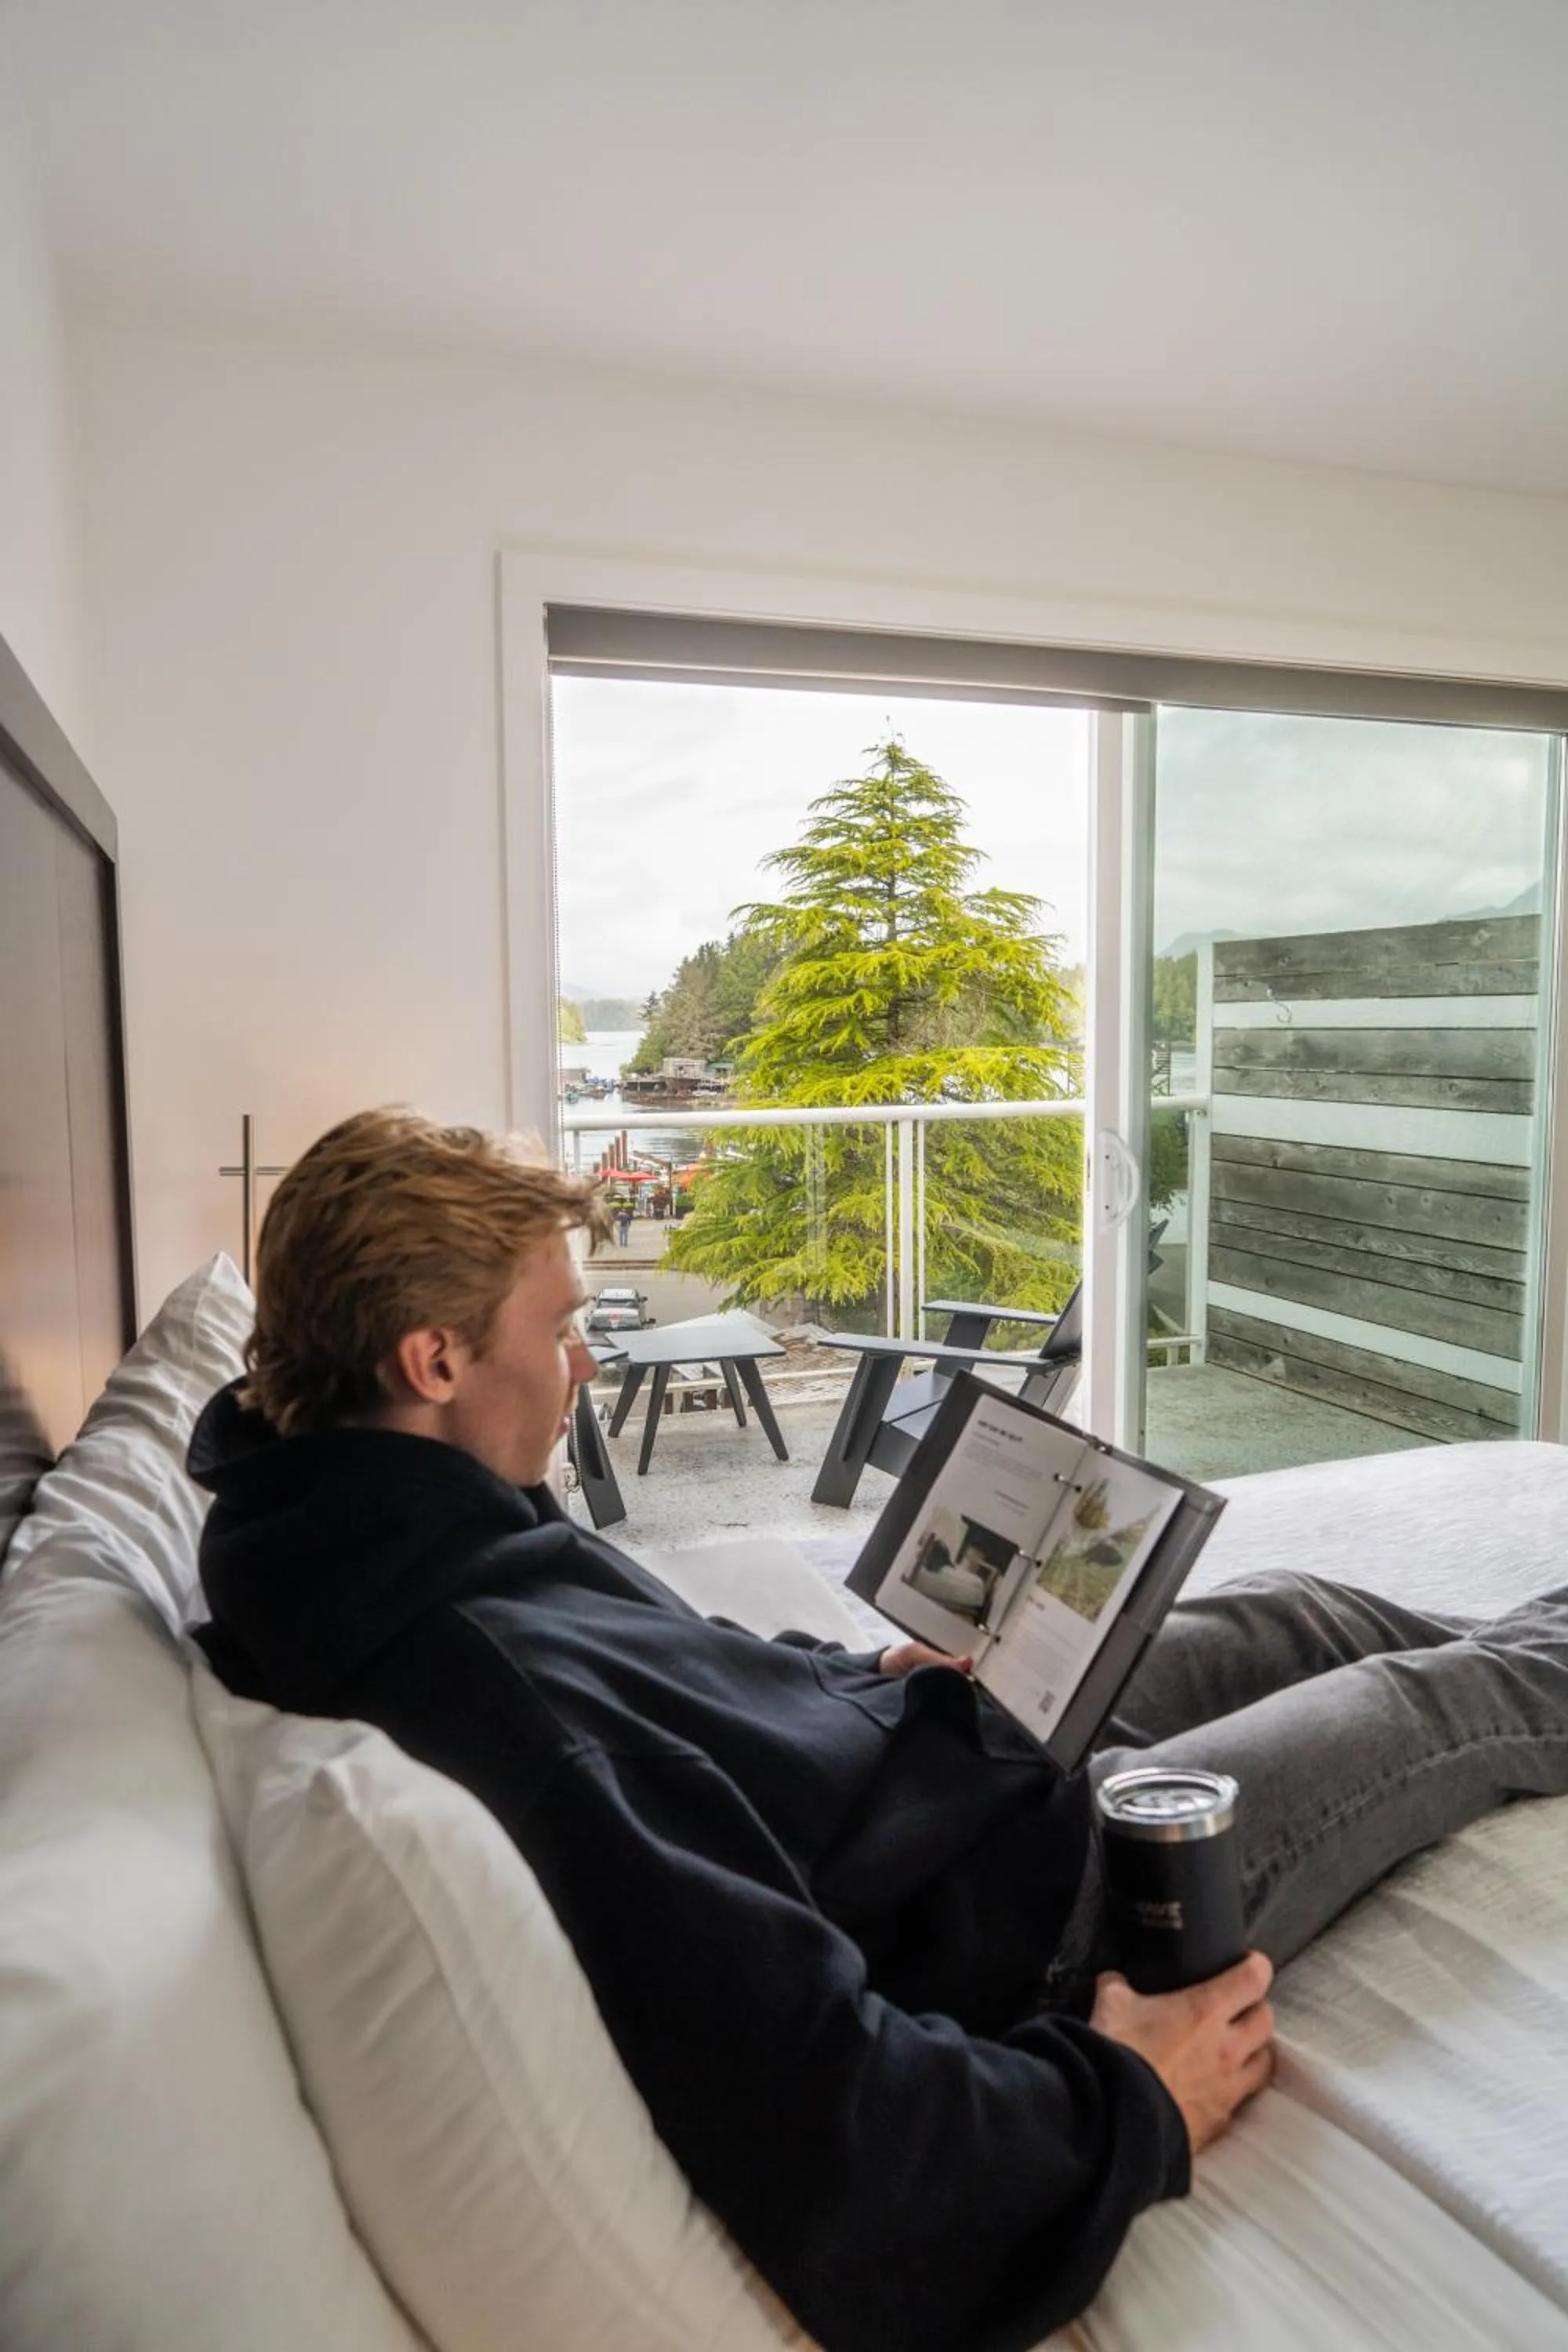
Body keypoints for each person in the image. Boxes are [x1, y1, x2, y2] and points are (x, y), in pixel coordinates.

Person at [190, 1108, 1568, 2352]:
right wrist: (1130, 2101)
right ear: (432, 1357)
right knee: (1440, 1706)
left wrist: (866, 1676)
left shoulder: (373, 1524)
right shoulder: (496, 1698)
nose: (585, 1359)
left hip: (930, 1776)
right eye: (556, 1327)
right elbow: (847, 2138)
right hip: (1036, 1909)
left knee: (1291, 1609)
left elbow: (684, 1693)